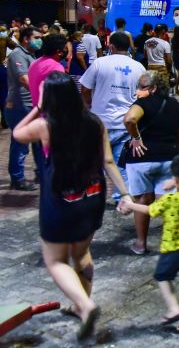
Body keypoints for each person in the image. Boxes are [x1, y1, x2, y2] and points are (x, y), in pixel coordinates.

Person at [12, 71, 129, 341]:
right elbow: (109, 162)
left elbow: (17, 133)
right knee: (81, 253)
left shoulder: (47, 125)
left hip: (61, 201)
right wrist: (125, 194)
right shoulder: (94, 121)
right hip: (93, 198)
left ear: (50, 98)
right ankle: (80, 305)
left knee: (55, 261)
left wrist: (38, 107)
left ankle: (86, 306)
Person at [121, 155, 179, 333]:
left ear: (176, 178)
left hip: (174, 248)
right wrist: (175, 182)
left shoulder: (170, 201)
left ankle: (173, 308)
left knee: (162, 276)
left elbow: (150, 210)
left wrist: (130, 204)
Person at [123, 71, 179, 255]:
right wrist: (176, 147)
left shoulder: (141, 104)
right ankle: (173, 242)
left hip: (141, 159)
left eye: (142, 87)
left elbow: (129, 119)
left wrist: (136, 138)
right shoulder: (174, 103)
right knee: (167, 201)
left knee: (143, 199)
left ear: (153, 88)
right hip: (168, 157)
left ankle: (141, 243)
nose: (137, 91)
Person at [80, 32, 147, 201]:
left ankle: (94, 195)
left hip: (100, 121)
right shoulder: (138, 67)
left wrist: (89, 105)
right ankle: (122, 197)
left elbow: (85, 89)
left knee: (94, 161)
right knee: (121, 163)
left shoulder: (99, 63)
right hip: (126, 122)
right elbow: (144, 94)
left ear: (111, 46)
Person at [6, 26, 46, 190]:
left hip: (32, 105)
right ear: (26, 39)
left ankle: (41, 174)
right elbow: (24, 79)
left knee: (38, 142)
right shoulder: (18, 54)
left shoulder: (31, 54)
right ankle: (17, 178)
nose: (40, 40)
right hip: (20, 105)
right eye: (37, 37)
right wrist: (42, 95)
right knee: (20, 143)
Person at [28, 34, 67, 109]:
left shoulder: (35, 63)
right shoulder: (57, 67)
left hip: (36, 112)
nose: (66, 50)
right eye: (65, 48)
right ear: (59, 51)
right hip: (51, 114)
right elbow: (59, 95)